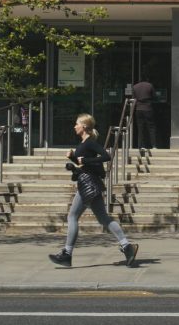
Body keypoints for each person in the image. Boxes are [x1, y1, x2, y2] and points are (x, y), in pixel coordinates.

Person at [48, 113, 138, 268]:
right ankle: (127, 246)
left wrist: (84, 160)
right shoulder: (84, 143)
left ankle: (67, 254)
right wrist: (73, 160)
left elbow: (106, 156)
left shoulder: (89, 142)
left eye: (77, 124)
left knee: (72, 216)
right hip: (90, 183)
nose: (74, 126)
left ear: (84, 126)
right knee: (103, 218)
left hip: (88, 184)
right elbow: (84, 165)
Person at [132, 78, 157, 152]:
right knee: (151, 127)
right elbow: (154, 97)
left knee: (140, 128)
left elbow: (133, 98)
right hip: (148, 108)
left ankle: (141, 145)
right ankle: (154, 145)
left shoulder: (135, 86)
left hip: (138, 109)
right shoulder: (150, 85)